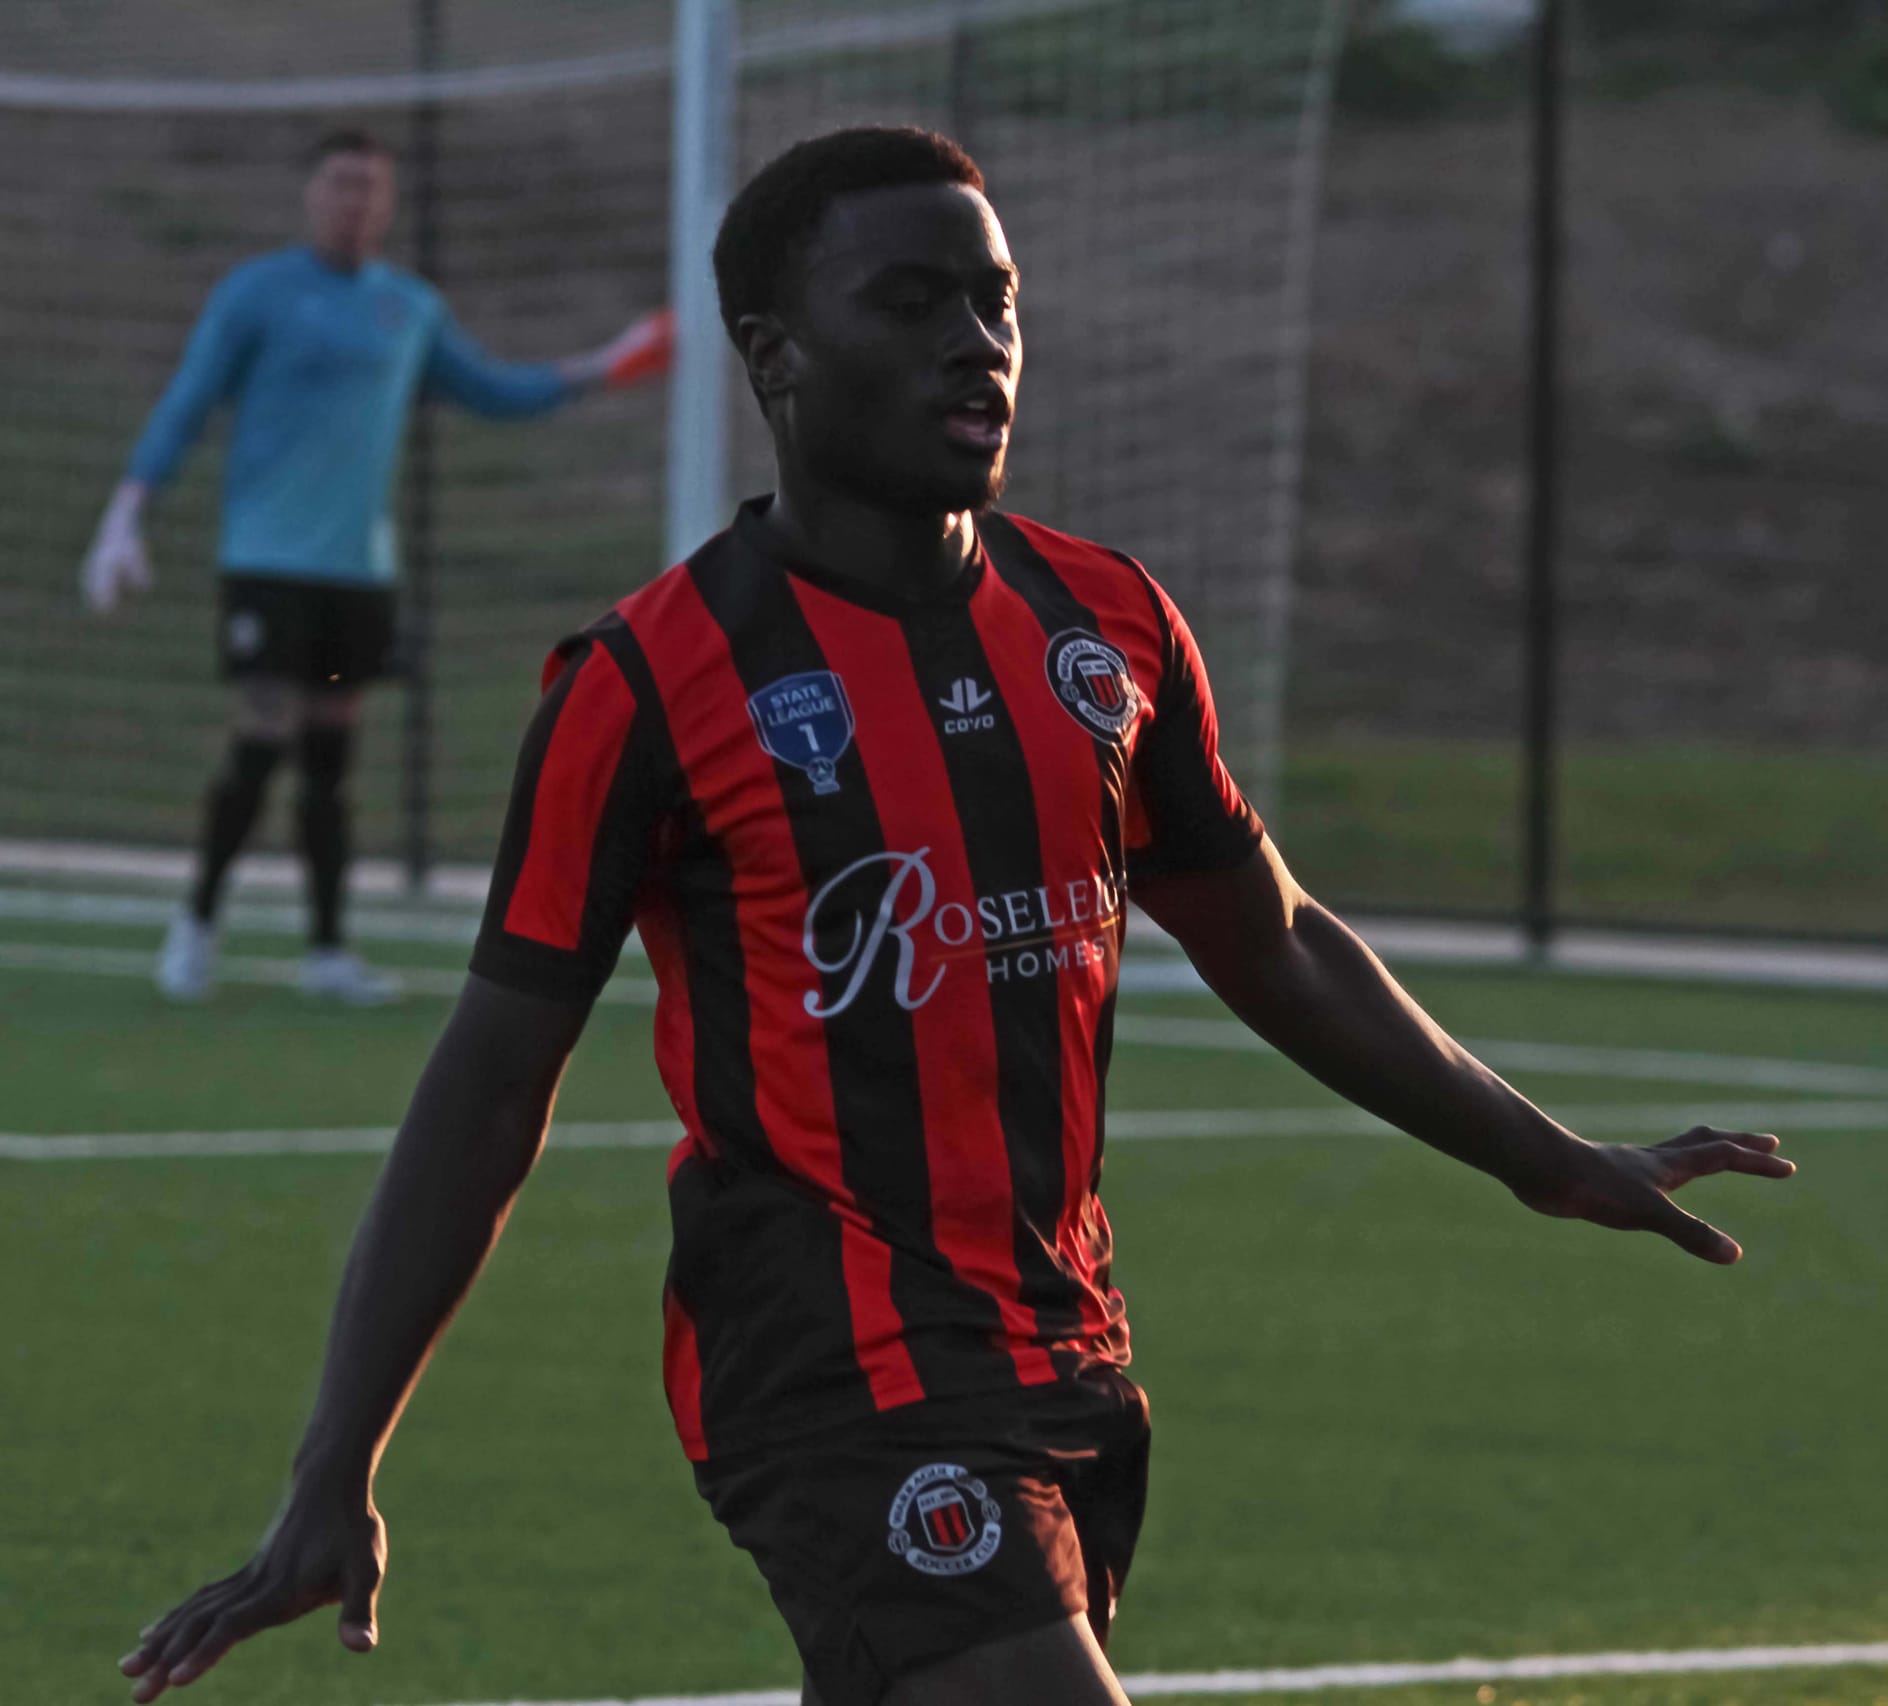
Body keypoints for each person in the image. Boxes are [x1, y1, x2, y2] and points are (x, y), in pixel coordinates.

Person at [115, 127, 1794, 1706]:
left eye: (995, 300)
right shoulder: (646, 682)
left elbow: (1268, 934)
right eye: (911, 305)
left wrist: (1545, 1154)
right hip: (829, 1357)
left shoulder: (1109, 622)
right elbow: (491, 1080)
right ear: (773, 355)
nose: (975, 343)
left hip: (1067, 1337)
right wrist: (335, 1466)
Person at [81, 127, 675, 1006]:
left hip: (355, 573)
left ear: (386, 203)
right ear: (310, 194)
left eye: (370, 188)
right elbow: (189, 399)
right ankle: (196, 926)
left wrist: (601, 365)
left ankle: (325, 949)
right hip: (268, 560)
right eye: (339, 185)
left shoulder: (408, 307)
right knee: (261, 733)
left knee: (330, 752)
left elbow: (492, 390)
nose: (354, 202)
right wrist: (124, 515)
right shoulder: (257, 294)